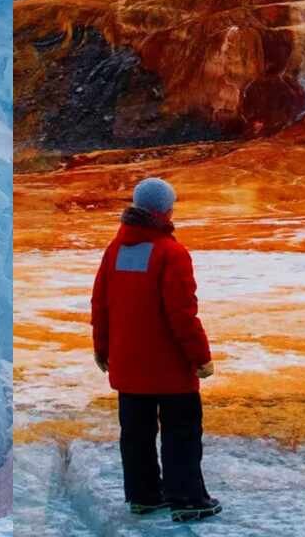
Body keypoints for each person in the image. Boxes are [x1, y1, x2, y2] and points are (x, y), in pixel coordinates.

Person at [91, 177, 221, 523]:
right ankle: (189, 500)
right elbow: (181, 314)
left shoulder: (115, 250)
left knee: (136, 434)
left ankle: (144, 496)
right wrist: (201, 357)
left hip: (128, 364)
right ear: (164, 211)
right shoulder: (170, 253)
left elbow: (100, 304)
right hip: (169, 368)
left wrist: (102, 348)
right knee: (181, 432)